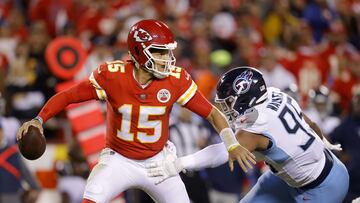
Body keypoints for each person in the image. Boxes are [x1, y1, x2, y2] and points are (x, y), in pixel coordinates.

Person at [16, 19, 256, 203]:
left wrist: (231, 144)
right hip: (119, 160)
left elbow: (212, 113)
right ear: (140, 52)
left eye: (168, 51)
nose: (168, 58)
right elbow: (68, 96)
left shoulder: (175, 79)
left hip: (159, 163)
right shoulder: (112, 75)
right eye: (160, 51)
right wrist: (39, 119)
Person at [146, 67, 349, 203]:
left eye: (228, 102)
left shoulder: (256, 125)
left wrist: (181, 163)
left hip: (320, 187)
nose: (225, 109)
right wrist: (322, 141)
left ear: (245, 98)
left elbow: (222, 151)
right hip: (315, 168)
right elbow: (309, 122)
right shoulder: (274, 93)